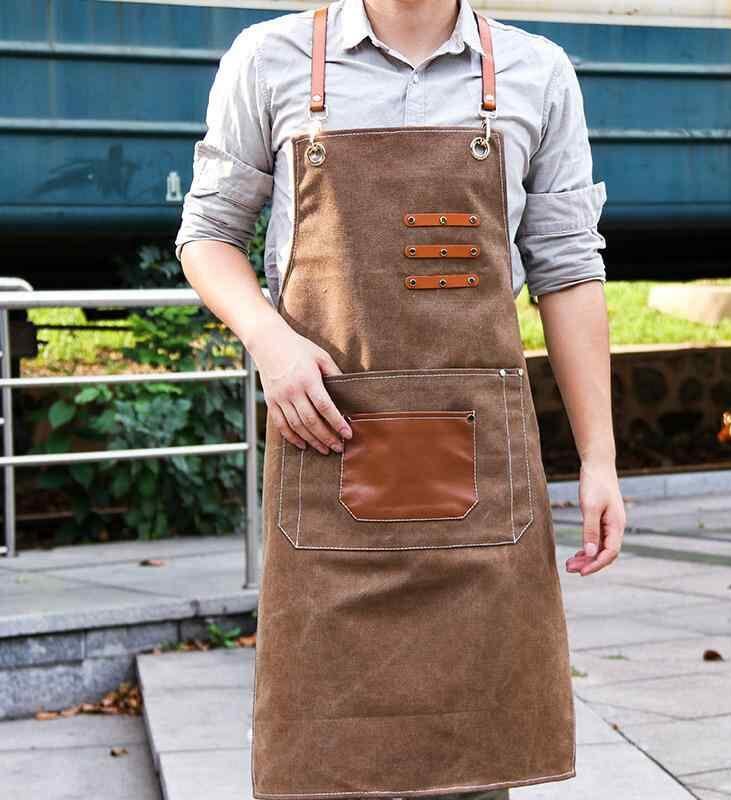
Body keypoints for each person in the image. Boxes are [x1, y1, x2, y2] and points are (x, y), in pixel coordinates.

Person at [175, 2, 626, 799]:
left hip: (479, 492)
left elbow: (568, 268)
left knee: (474, 770)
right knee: (327, 768)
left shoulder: (537, 71)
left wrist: (599, 460)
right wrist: (270, 340)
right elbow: (208, 232)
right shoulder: (270, 57)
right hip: (329, 461)